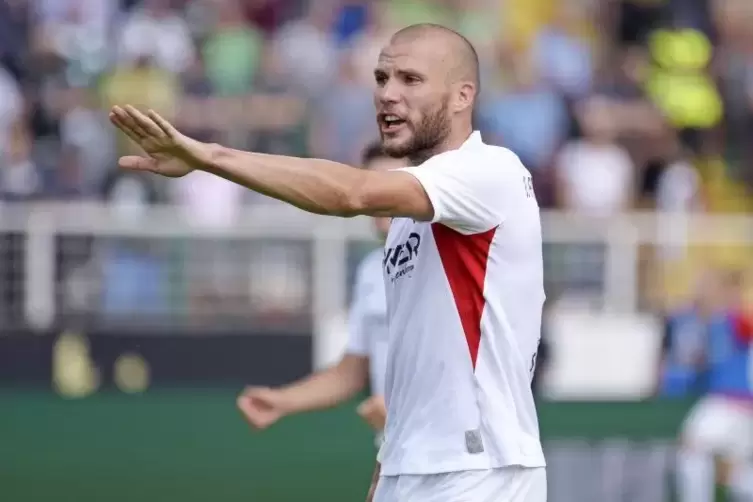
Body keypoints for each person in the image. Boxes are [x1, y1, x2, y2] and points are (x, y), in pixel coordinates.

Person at [108, 22, 547, 502]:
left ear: (463, 96)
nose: (388, 94)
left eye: (411, 80)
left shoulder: (491, 170)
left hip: (482, 470)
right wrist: (389, 463)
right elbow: (416, 355)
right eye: (382, 78)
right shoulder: (405, 223)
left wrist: (208, 156)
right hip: (413, 467)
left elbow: (350, 192)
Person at [235, 142, 403, 444]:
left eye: (388, 183)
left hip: (454, 458)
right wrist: (282, 400)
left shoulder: (453, 261)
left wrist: (412, 417)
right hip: (397, 450)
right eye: (370, 183)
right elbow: (350, 372)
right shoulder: (371, 270)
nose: (377, 197)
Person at [671, 270, 753, 502]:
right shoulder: (707, 323)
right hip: (735, 404)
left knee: (693, 447)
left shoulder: (739, 319)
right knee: (733, 473)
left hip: (733, 401)